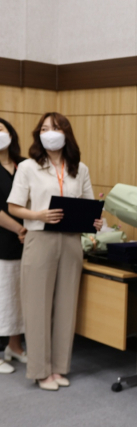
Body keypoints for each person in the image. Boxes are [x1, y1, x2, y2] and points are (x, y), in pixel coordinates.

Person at [7, 112, 103, 390]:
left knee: (66, 305)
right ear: (39, 133)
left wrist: (93, 220)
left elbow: (87, 205)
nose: (51, 132)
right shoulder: (28, 167)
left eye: (57, 128)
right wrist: (39, 215)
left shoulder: (79, 168)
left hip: (72, 241)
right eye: (46, 128)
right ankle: (40, 370)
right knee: (37, 307)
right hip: (40, 239)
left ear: (66, 133)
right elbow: (13, 206)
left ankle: (60, 367)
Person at [0, 118, 27, 375]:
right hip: (5, 240)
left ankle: (15, 347)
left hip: (27, 241)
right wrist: (19, 228)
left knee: (17, 297)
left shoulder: (24, 165)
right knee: (1, 297)